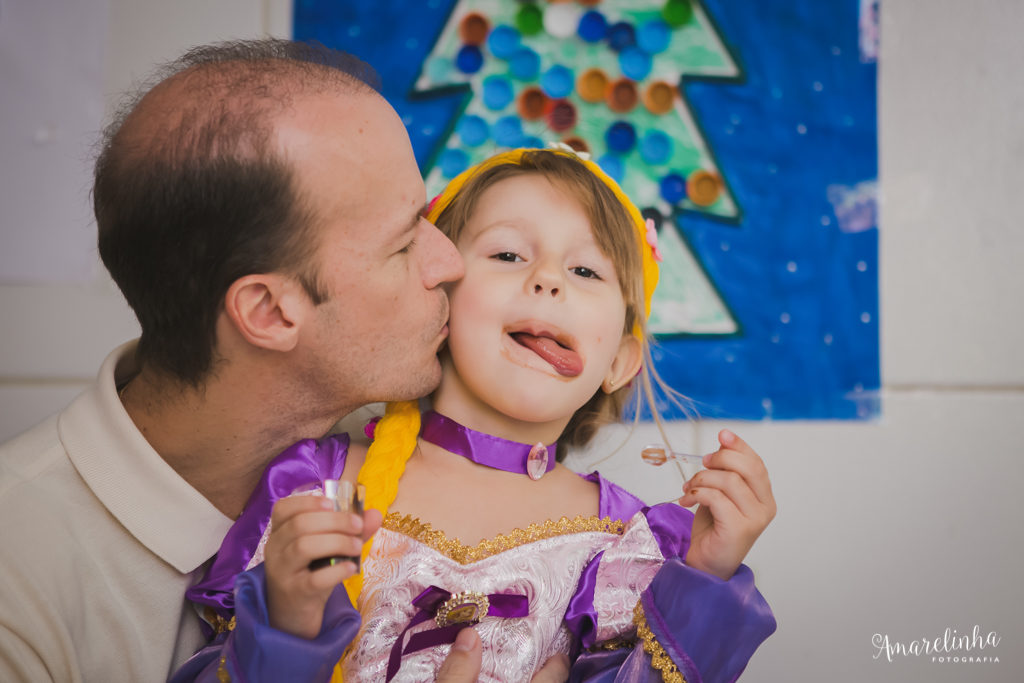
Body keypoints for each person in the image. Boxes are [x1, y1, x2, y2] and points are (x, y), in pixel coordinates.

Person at [0, 38, 520, 683]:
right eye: (404, 239)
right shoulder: (16, 596)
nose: (450, 263)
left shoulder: (421, 458)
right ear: (270, 313)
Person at [179, 148, 777, 682]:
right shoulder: (316, 492)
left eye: (586, 270)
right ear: (437, 301)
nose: (547, 280)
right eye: (510, 253)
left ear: (620, 360)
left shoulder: (627, 548)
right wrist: (287, 620)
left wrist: (705, 574)